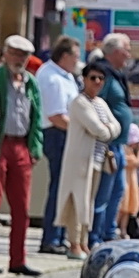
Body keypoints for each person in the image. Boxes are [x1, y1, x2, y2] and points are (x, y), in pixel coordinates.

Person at [0, 34, 42, 276]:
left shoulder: (31, 82)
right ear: (5, 54)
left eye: (23, 55)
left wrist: (35, 148)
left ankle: (18, 259)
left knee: (22, 207)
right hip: (0, 143)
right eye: (14, 54)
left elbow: (37, 116)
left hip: (21, 145)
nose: (19, 59)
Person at [55, 60, 119, 259]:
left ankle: (84, 242)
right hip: (80, 160)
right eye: (93, 78)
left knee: (89, 202)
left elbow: (116, 126)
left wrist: (107, 129)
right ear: (84, 79)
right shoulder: (79, 102)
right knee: (77, 201)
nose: (97, 82)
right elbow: (98, 129)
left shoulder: (101, 103)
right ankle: (74, 243)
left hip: (97, 160)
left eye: (101, 78)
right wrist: (106, 129)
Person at [89, 33, 134, 246]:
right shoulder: (103, 74)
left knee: (118, 190)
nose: (129, 55)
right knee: (103, 193)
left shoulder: (117, 74)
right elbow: (96, 102)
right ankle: (95, 235)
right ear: (115, 52)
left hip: (119, 143)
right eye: (126, 50)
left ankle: (109, 231)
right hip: (107, 145)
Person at [36, 37, 80, 254]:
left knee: (66, 188)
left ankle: (60, 235)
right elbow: (56, 116)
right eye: (75, 57)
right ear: (64, 56)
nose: (77, 61)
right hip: (57, 134)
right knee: (59, 188)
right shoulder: (52, 77)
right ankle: (51, 238)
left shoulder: (66, 76)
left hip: (66, 133)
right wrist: (81, 130)